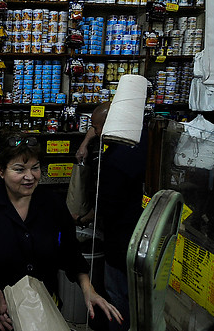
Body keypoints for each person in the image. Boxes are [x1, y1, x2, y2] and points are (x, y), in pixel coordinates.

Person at [0, 131, 123, 331]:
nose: (29, 177)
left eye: (35, 168)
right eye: (19, 169)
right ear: (1, 170)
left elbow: (70, 252)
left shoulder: (52, 204)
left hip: (40, 313)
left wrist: (88, 289)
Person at [75, 101, 148, 331]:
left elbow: (107, 206)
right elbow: (101, 121)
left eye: (97, 129)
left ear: (109, 126)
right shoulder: (142, 135)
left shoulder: (115, 162)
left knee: (117, 294)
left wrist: (83, 219)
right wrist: (86, 142)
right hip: (142, 234)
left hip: (122, 238)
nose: (95, 133)